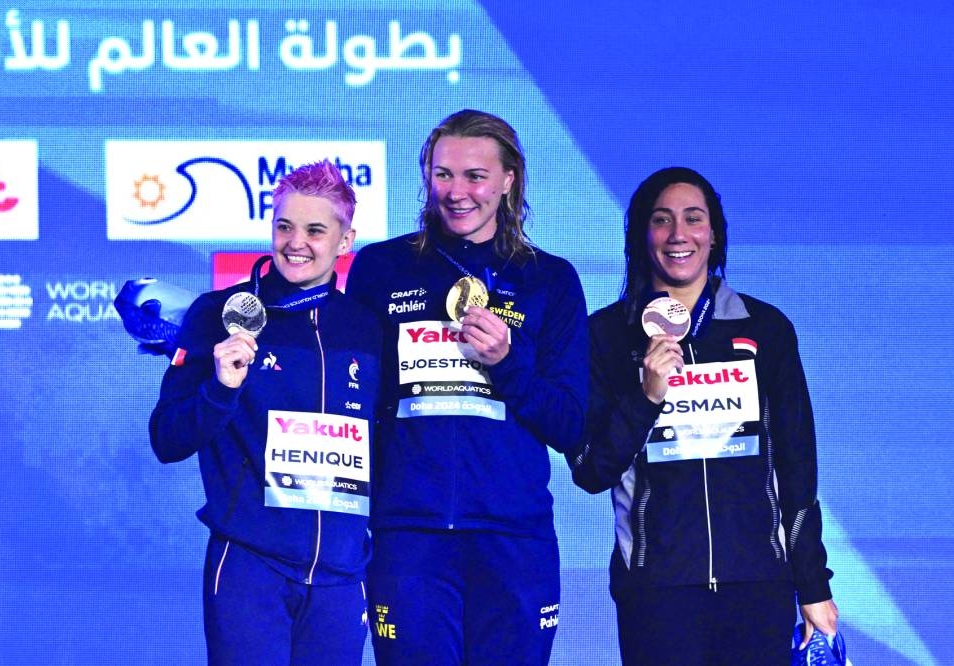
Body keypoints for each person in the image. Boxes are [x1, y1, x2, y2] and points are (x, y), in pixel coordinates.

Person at [346, 109, 588, 665]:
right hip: (409, 536)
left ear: (508, 181)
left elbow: (570, 423)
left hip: (513, 539)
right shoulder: (381, 269)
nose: (457, 192)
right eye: (443, 174)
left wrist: (507, 362)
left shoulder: (549, 279)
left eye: (475, 176)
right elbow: (352, 399)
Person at [570, 166, 838, 665]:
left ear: (713, 233)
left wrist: (812, 585)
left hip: (758, 583)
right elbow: (590, 469)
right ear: (641, 235)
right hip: (657, 589)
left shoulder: (766, 330)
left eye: (694, 219)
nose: (679, 235)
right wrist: (646, 397)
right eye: (661, 220)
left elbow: (798, 472)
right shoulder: (604, 337)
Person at [148, 160, 382, 665]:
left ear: (345, 240)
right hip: (249, 567)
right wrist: (220, 387)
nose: (296, 242)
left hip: (340, 578)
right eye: (284, 226)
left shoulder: (367, 329)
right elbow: (167, 438)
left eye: (315, 229)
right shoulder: (219, 313)